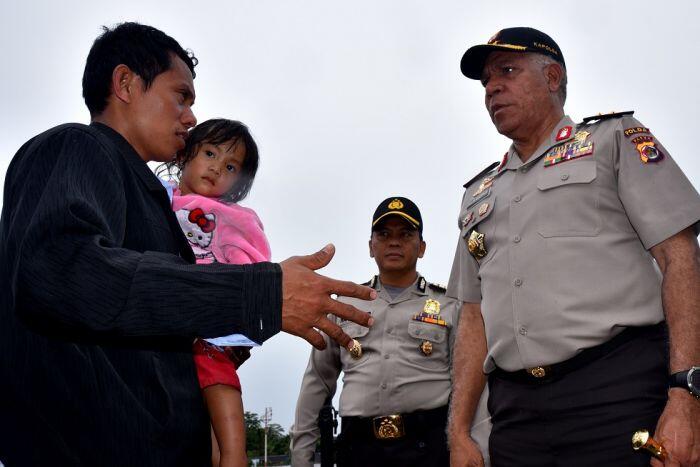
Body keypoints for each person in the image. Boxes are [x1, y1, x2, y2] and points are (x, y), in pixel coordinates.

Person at [0, 22, 374, 467]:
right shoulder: (74, 148)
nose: (191, 118)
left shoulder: (156, 206)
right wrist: (258, 291)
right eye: (181, 96)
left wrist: (255, 304)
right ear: (125, 83)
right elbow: (60, 273)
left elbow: (153, 325)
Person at [446, 27, 700, 466]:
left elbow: (680, 257)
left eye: (507, 71)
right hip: (515, 415)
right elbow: (472, 316)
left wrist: (687, 391)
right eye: (486, 81)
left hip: (615, 394)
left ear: (553, 78)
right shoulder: (478, 194)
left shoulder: (612, 141)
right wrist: (459, 432)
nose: (492, 89)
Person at [291, 197, 491, 467]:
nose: (394, 242)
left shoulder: (450, 306)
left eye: (405, 234)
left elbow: (471, 382)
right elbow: (317, 383)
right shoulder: (345, 306)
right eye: (384, 234)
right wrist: (301, 458)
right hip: (358, 449)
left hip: (430, 446)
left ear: (421, 248)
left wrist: (475, 446)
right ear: (371, 247)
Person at [159, 118, 269, 466]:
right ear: (185, 153)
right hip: (165, 332)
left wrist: (241, 325)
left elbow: (255, 273)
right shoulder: (156, 195)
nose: (217, 167)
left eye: (231, 165)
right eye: (210, 153)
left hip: (211, 337)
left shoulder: (236, 219)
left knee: (223, 406)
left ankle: (236, 456)